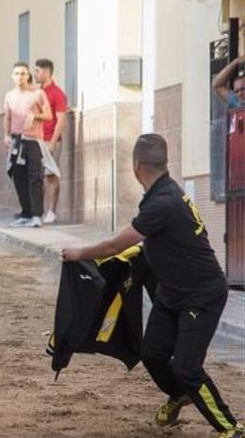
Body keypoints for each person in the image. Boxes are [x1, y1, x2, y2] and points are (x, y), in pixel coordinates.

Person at [61, 134, 243, 438]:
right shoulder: (162, 193)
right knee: (153, 353)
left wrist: (79, 253)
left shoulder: (163, 202)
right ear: (164, 162)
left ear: (135, 167)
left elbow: (116, 244)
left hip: (201, 296)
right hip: (172, 293)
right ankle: (179, 395)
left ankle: (230, 428)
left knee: (187, 367)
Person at [3, 62, 52, 228]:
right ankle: (26, 213)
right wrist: (6, 135)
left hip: (33, 141)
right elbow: (7, 118)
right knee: (18, 178)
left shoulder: (38, 93)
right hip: (16, 141)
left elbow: (49, 115)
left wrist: (36, 116)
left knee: (35, 178)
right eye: (17, 73)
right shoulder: (9, 95)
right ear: (12, 76)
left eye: (23, 73)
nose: (20, 77)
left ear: (28, 75)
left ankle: (37, 215)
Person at [36, 59, 68, 225]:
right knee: (38, 178)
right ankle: (38, 212)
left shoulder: (57, 93)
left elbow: (61, 119)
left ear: (47, 72)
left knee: (51, 177)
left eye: (38, 71)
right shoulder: (38, 93)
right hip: (37, 140)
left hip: (50, 141)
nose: (36, 74)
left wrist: (53, 142)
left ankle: (52, 212)